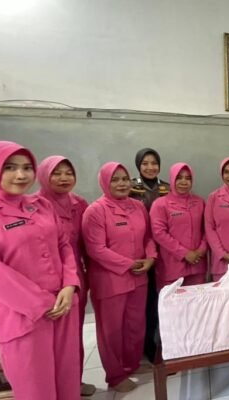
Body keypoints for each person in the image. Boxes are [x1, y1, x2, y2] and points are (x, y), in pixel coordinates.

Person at [0, 141, 81, 399]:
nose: (20, 175)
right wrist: (41, 303)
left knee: (67, 380)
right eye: (9, 168)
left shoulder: (41, 205)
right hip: (22, 316)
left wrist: (70, 285)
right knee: (36, 389)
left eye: (26, 168)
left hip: (64, 305)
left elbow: (63, 244)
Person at [82, 162, 156, 393]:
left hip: (139, 277)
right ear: (105, 182)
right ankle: (115, 375)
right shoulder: (95, 211)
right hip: (110, 281)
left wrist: (150, 258)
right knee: (111, 331)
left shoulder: (137, 206)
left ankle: (132, 364)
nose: (122, 183)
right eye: (115, 179)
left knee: (135, 325)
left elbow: (148, 237)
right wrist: (129, 264)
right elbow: (96, 249)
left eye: (125, 179)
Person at [36, 155, 95, 397]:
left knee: (73, 336)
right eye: (57, 173)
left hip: (75, 279)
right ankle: (50, 388)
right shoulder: (34, 205)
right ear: (43, 175)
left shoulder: (79, 204)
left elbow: (86, 244)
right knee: (48, 339)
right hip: (44, 281)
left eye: (68, 173)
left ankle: (74, 383)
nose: (64, 178)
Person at [129, 147, 169, 361]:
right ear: (138, 165)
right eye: (145, 163)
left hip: (165, 251)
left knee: (162, 299)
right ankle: (147, 345)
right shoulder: (130, 188)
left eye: (154, 163)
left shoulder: (167, 188)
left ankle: (164, 341)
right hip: (140, 251)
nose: (150, 167)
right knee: (145, 303)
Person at [150, 162, 208, 288]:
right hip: (171, 268)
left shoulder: (200, 202)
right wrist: (184, 253)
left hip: (197, 266)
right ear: (172, 179)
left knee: (198, 300)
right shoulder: (160, 204)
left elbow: (207, 229)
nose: (184, 182)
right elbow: (159, 233)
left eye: (188, 178)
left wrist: (201, 250)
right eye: (179, 178)